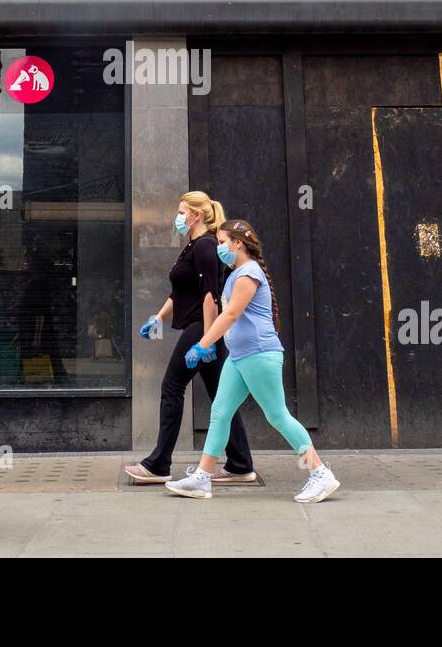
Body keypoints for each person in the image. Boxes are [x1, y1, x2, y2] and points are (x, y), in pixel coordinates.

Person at [166, 218, 339, 504]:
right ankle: (202, 478)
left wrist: (202, 343)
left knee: (277, 416)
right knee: (220, 412)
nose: (219, 247)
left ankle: (320, 474)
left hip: (259, 354)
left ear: (238, 243)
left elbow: (231, 314)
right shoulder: (236, 273)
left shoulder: (248, 273)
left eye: (222, 242)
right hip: (240, 356)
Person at [125, 192, 256, 485]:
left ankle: (159, 464)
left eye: (182, 211)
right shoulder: (193, 247)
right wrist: (158, 317)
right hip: (201, 327)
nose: (178, 217)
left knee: (172, 386)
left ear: (195, 215)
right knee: (222, 396)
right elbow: (181, 292)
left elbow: (210, 296)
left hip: (202, 326)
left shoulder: (206, 246)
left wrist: (205, 341)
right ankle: (240, 464)